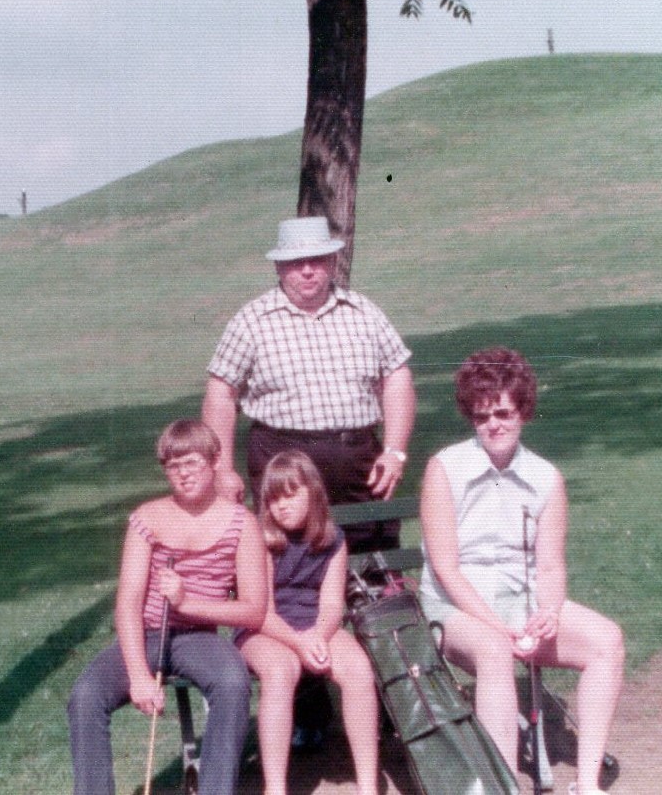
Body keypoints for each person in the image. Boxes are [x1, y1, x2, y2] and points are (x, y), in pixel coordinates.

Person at [418, 347, 625, 795]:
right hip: (455, 609)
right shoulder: (444, 469)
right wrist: (497, 627)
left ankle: (588, 782)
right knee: (494, 650)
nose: (492, 425)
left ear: (524, 412)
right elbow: (446, 570)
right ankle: (504, 786)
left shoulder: (546, 478)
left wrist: (548, 611)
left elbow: (550, 565)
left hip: (521, 602)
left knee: (606, 640)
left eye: (503, 413)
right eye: (481, 416)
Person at [67, 419, 267, 795]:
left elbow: (253, 611)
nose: (183, 474)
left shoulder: (242, 524)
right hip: (145, 636)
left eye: (191, 462)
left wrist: (187, 603)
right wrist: (139, 677)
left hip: (199, 639)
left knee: (232, 681)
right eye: (173, 466)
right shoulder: (147, 518)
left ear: (215, 461)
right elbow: (128, 604)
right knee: (86, 696)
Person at [203, 214, 416, 554]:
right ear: (278, 267)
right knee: (289, 559)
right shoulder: (251, 321)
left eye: (316, 260)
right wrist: (223, 469)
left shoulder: (365, 314)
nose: (307, 270)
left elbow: (397, 377)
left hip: (357, 460)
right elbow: (221, 393)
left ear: (332, 262)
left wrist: (394, 451)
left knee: (372, 556)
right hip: (282, 460)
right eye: (295, 262)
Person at [236, 449, 379, 795]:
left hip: (314, 625)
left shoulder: (333, 540)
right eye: (274, 499)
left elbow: (331, 604)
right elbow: (259, 611)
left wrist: (318, 634)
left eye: (290, 495)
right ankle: (275, 787)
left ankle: (368, 784)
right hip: (263, 627)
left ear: (313, 493)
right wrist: (300, 643)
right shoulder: (259, 539)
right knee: (280, 671)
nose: (282, 506)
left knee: (358, 669)